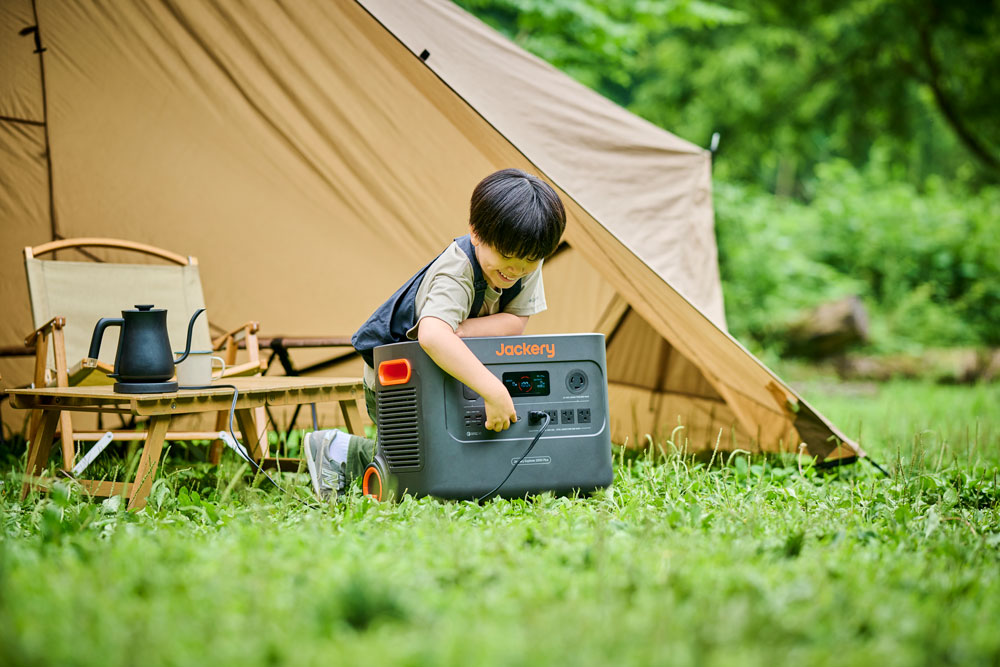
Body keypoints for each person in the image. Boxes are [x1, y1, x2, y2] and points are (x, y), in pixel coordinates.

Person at [304, 168, 566, 500]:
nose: (514, 271)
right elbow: (432, 336)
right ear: (475, 233)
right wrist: (493, 391)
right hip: (399, 378)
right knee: (426, 465)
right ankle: (339, 449)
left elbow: (516, 321)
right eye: (506, 257)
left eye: (529, 261)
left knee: (463, 456)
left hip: (449, 367)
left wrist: (466, 330)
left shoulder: (526, 254)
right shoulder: (456, 272)